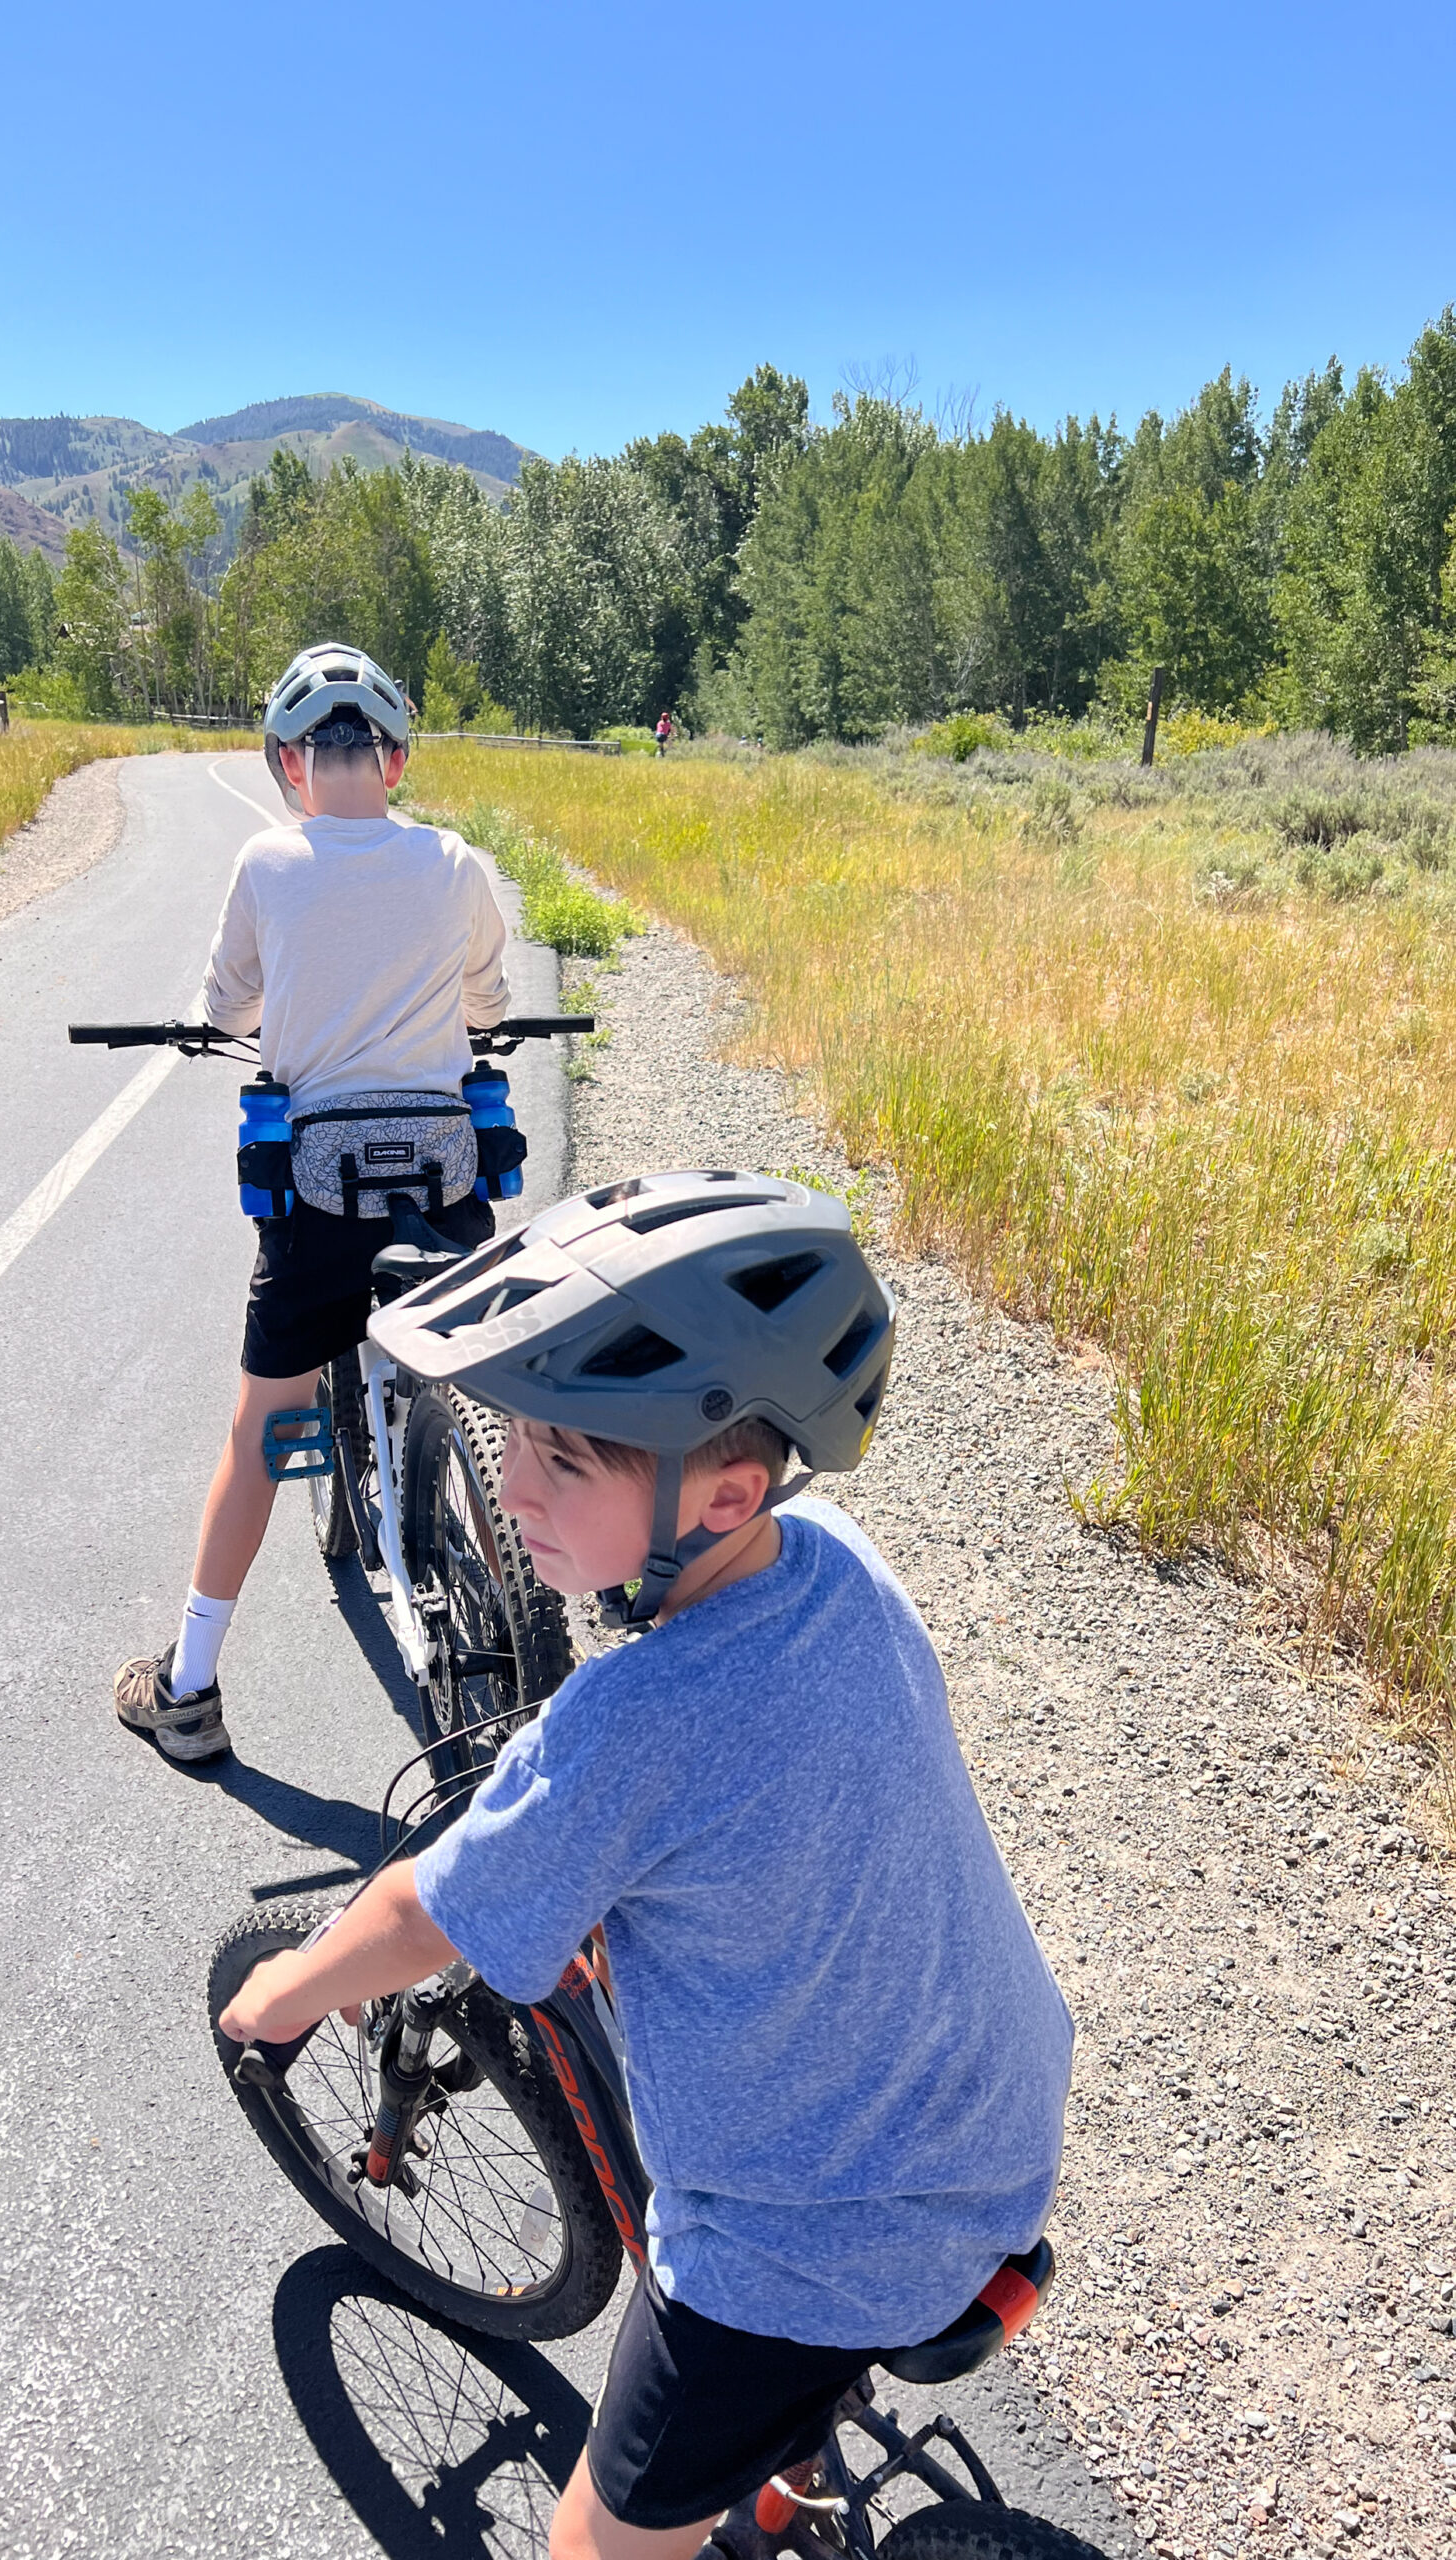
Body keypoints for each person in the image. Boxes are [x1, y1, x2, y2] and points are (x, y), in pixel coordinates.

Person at [219, 1172, 1075, 2560]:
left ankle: (749, 2464)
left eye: (565, 1457)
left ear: (723, 1486)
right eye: (515, 1443)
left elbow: (418, 1908)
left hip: (800, 2253)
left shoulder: (625, 1726)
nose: (510, 1487)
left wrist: (278, 2005)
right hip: (992, 2115)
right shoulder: (835, 1559)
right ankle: (780, 2482)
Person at [113, 641, 512, 1765]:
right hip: (443, 1180)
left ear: (293, 763)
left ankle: (187, 1688)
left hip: (319, 1196)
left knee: (257, 1431)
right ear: (390, 759)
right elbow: (487, 995)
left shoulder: (266, 862)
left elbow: (226, 1002)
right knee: (483, 1380)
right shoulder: (454, 861)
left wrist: (235, 1020)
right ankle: (529, 1603)